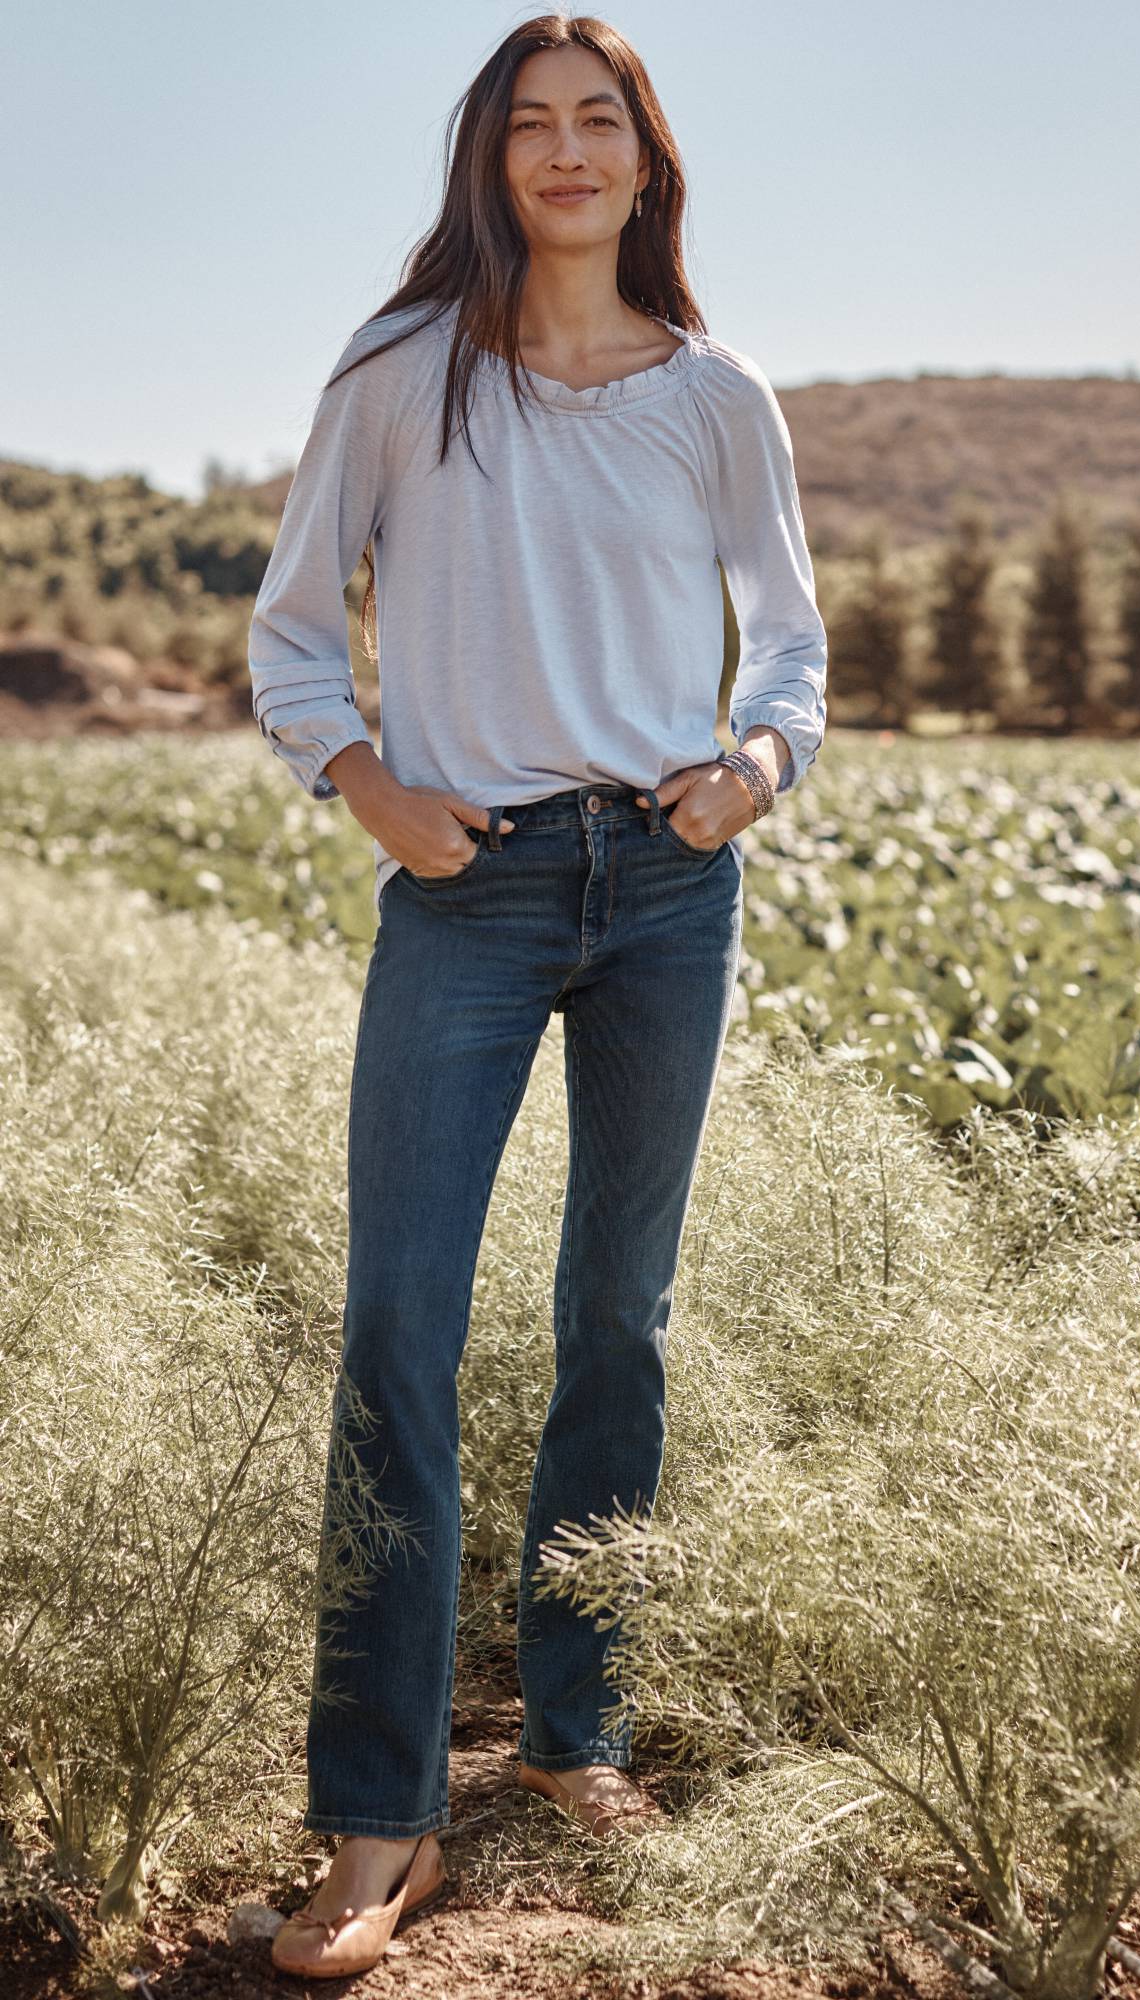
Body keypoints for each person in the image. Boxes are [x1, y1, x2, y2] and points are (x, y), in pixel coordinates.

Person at [250, 14, 827, 1979]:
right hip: (468, 890)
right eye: (531, 126)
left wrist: (751, 771)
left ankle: (577, 1738)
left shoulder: (715, 392)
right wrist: (373, 789)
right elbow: (289, 630)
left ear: (645, 162)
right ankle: (376, 1812)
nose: (567, 152)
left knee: (617, 1325)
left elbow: (793, 651)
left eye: (602, 122)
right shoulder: (403, 373)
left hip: (668, 893)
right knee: (397, 1331)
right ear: (488, 164)